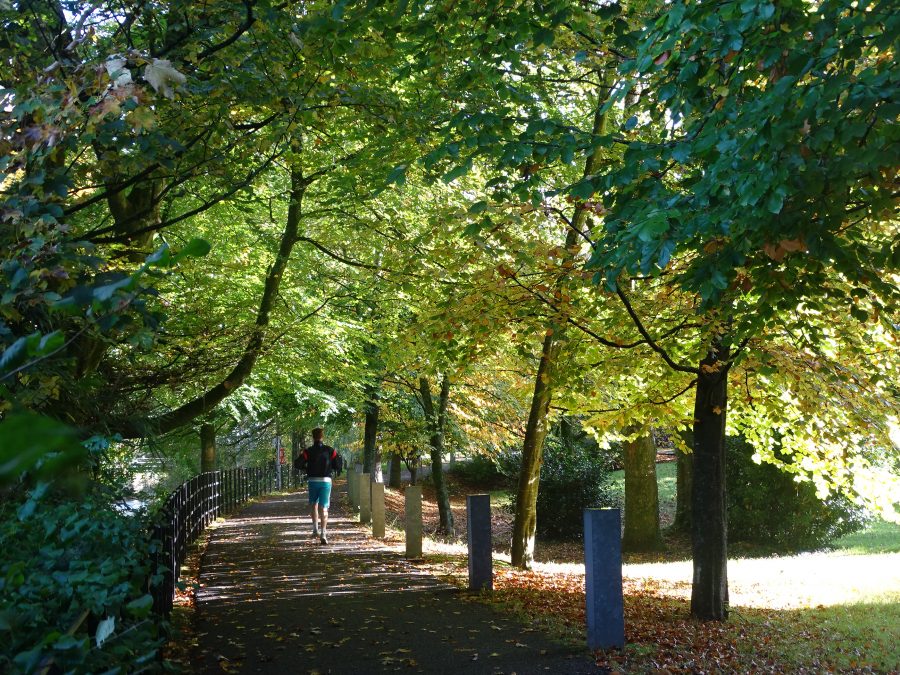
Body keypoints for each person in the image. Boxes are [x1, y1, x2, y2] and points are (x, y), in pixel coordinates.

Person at [298, 428, 341, 544]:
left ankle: (315, 530)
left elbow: (297, 464)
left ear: (313, 437)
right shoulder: (330, 450)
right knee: (324, 507)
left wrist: (307, 468)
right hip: (326, 481)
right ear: (322, 437)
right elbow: (338, 465)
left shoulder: (308, 451)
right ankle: (323, 533)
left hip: (313, 481)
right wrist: (330, 467)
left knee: (313, 504)